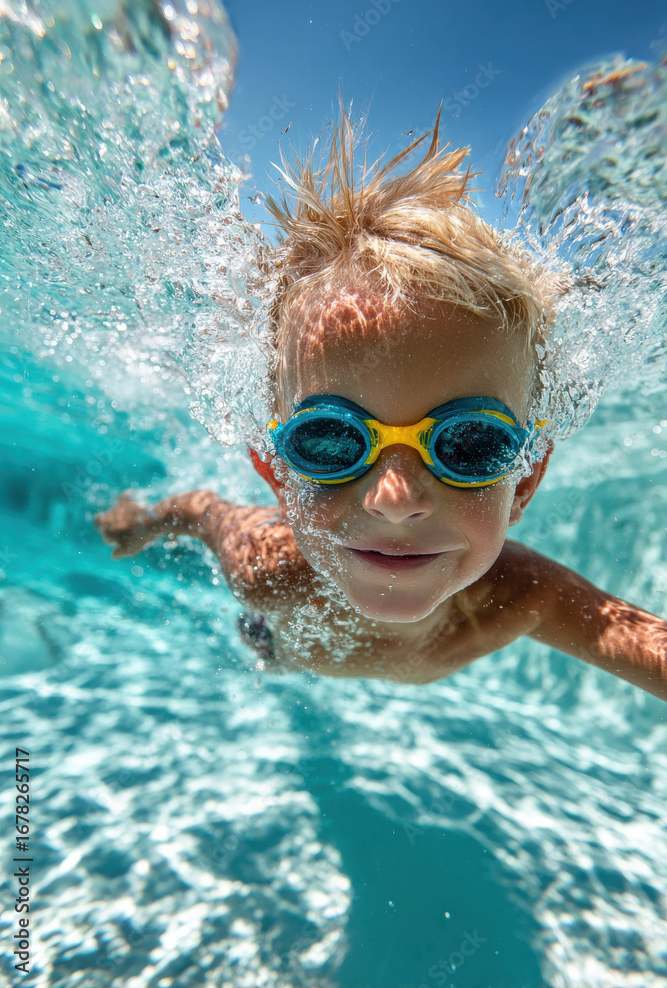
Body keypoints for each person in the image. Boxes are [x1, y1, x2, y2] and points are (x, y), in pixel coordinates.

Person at [95, 107, 667, 700]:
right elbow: (203, 512)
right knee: (265, 650)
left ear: (522, 484)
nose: (395, 503)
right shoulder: (266, 571)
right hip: (278, 638)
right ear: (275, 473)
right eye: (330, 442)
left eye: (471, 445)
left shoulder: (524, 595)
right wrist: (141, 523)